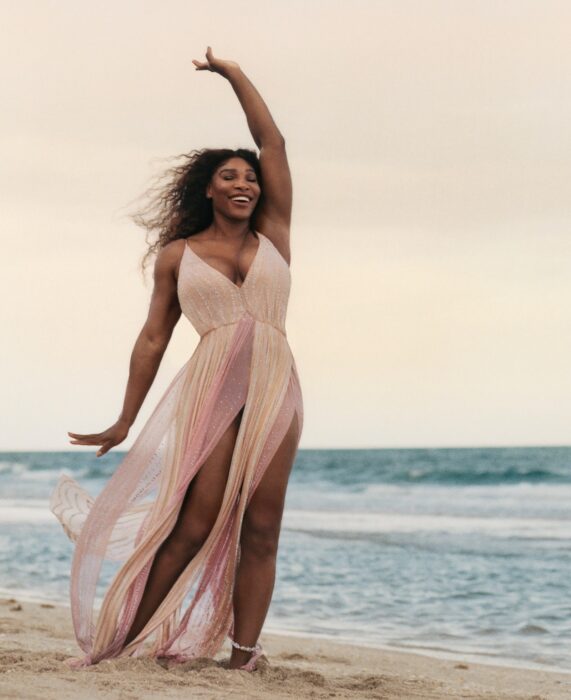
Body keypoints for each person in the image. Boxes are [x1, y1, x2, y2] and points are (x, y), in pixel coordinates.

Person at [50, 46, 304, 672]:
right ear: (209, 189)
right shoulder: (177, 255)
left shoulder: (275, 230)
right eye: (230, 176)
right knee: (194, 522)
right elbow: (153, 340)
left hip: (277, 384)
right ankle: (122, 641)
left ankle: (244, 655)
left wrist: (235, 74)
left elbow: (272, 144)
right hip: (214, 388)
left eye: (249, 176)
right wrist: (125, 419)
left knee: (263, 527)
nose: (244, 182)